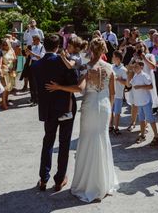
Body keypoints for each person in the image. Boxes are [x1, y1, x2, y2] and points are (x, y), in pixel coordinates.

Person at [46, 37, 119, 202]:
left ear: (91, 50)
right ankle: (103, 182)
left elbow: (79, 89)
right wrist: (110, 112)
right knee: (102, 140)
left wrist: (59, 87)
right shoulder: (110, 68)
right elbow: (112, 93)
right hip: (105, 106)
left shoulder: (87, 68)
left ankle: (88, 184)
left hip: (91, 106)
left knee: (87, 141)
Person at [32, 34, 78, 192]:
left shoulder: (36, 65)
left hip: (48, 108)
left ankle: (43, 178)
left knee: (48, 142)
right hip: (65, 106)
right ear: (58, 46)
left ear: (44, 46)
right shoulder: (64, 62)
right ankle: (59, 180)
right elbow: (76, 83)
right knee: (64, 144)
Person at [128, 61, 158, 146]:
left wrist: (140, 87)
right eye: (134, 67)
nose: (135, 68)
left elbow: (151, 86)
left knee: (150, 119)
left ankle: (156, 135)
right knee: (141, 119)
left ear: (141, 67)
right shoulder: (135, 75)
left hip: (146, 101)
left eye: (137, 67)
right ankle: (142, 135)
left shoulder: (145, 76)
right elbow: (128, 84)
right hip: (139, 102)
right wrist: (130, 71)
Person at [59, 36, 88, 121]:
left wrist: (63, 57)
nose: (67, 47)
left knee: (69, 94)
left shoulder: (75, 57)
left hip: (73, 75)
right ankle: (68, 111)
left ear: (76, 49)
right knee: (69, 95)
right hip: (72, 75)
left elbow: (70, 65)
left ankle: (69, 112)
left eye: (70, 46)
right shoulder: (74, 55)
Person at [110, 50, 128, 135]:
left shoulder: (123, 69)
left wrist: (118, 79)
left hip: (119, 94)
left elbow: (126, 83)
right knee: (110, 111)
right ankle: (110, 126)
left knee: (117, 112)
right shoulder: (111, 67)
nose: (112, 58)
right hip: (110, 93)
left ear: (118, 59)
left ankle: (116, 127)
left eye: (113, 57)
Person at [26, 35, 46, 106]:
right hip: (32, 64)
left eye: (34, 40)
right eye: (32, 40)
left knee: (36, 83)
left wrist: (31, 53)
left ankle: (36, 100)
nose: (33, 41)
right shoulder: (33, 46)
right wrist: (27, 53)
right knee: (31, 82)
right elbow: (29, 56)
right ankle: (32, 98)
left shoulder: (42, 47)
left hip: (38, 64)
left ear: (38, 40)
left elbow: (40, 57)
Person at [0, 38, 17, 110]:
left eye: (6, 44)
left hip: (11, 71)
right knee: (4, 88)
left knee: (9, 88)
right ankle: (3, 104)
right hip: (4, 71)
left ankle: (6, 101)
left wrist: (13, 68)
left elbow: (15, 60)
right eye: (3, 44)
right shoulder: (0, 52)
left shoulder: (11, 50)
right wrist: (4, 67)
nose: (4, 46)